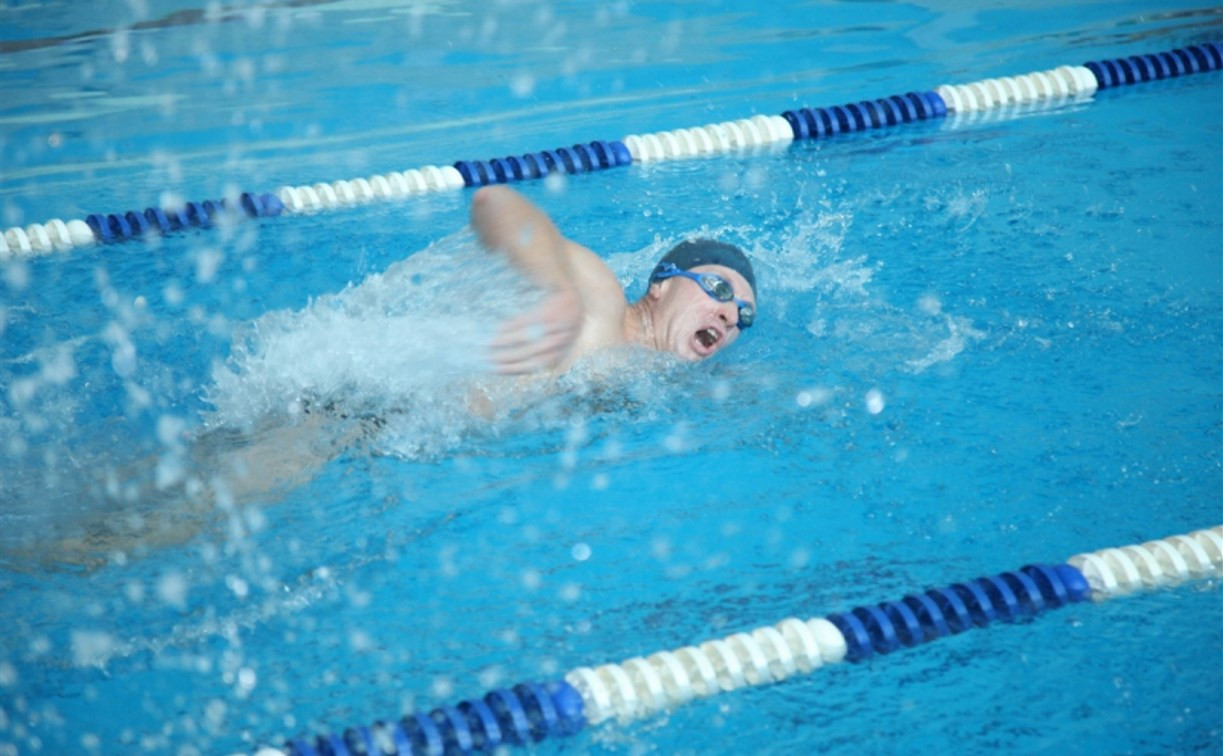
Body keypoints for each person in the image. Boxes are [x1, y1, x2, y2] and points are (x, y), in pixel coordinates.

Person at [472, 186, 757, 376]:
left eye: (745, 314)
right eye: (719, 288)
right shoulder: (600, 304)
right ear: (663, 285)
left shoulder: (656, 380)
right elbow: (494, 201)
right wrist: (557, 288)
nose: (731, 315)